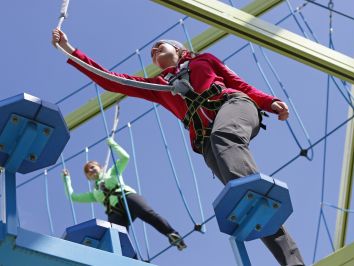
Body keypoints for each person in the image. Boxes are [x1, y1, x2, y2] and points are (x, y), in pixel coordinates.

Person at [53, 29, 304, 266]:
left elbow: (239, 84)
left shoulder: (203, 60)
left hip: (234, 106)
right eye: (151, 53)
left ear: (179, 49)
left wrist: (270, 102)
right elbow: (113, 81)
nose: (154, 52)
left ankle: (254, 191)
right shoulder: (158, 86)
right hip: (207, 140)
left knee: (225, 141)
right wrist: (69, 49)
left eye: (158, 46)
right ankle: (289, 256)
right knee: (242, 197)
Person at [61, 137, 187, 255]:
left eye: (92, 167)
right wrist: (66, 180)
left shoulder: (112, 172)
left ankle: (171, 234)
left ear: (100, 167)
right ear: (88, 178)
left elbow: (125, 157)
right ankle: (129, 259)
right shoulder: (95, 193)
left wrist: (113, 144)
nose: (91, 171)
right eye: (88, 172)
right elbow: (73, 197)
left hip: (127, 198)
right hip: (115, 212)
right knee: (116, 237)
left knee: (146, 213)